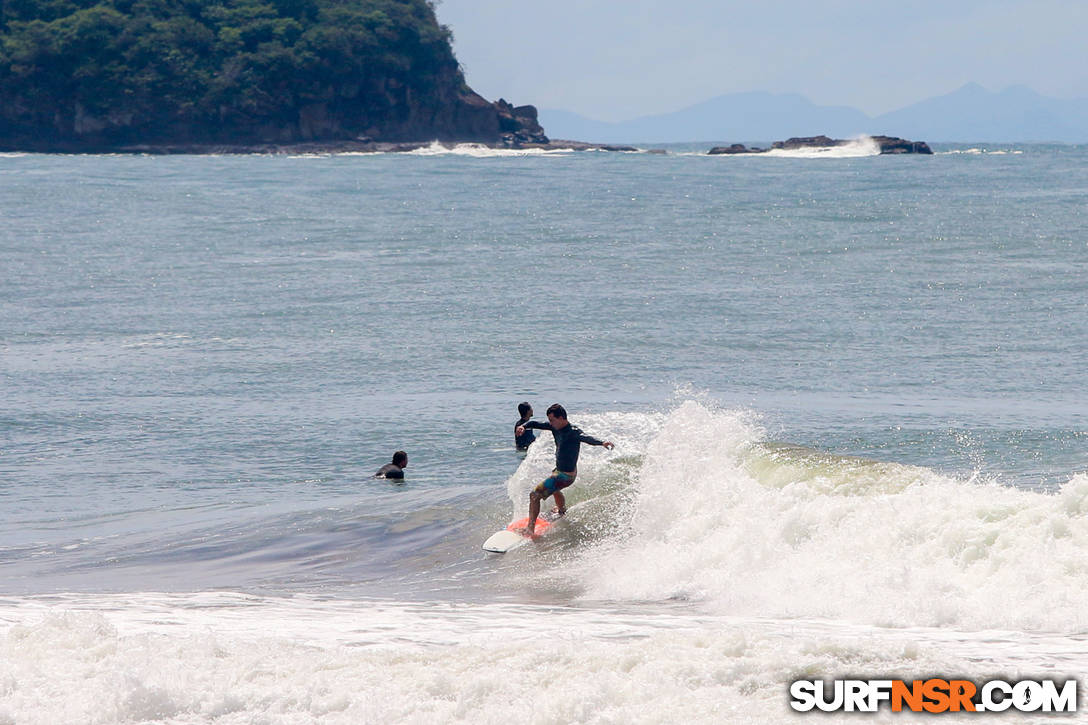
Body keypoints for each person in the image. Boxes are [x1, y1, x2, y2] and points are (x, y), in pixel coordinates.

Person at [514, 403, 614, 535]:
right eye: (549, 420)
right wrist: (523, 426)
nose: (550, 423)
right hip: (560, 471)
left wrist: (602, 442)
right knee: (555, 489)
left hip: (565, 476)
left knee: (534, 495)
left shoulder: (573, 431)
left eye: (552, 420)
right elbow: (535, 423)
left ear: (561, 418)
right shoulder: (554, 427)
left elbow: (587, 438)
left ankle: (530, 529)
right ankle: (561, 510)